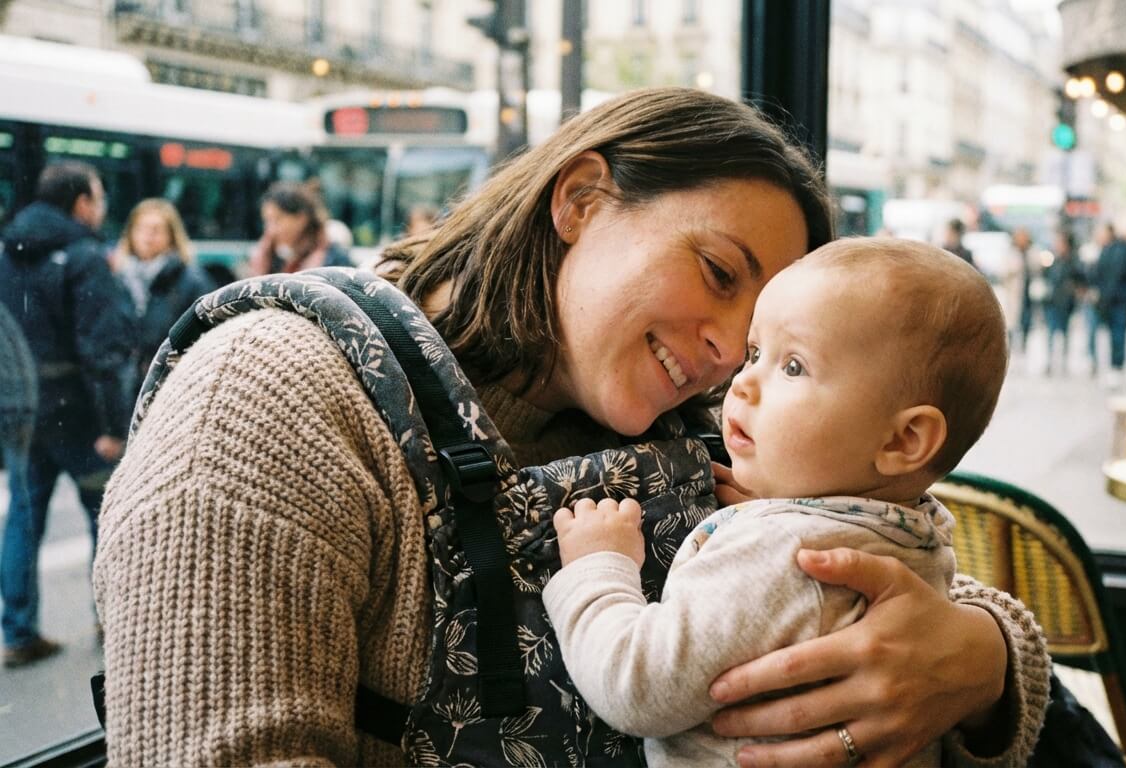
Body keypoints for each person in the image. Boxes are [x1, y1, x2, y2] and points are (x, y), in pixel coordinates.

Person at [94, 88, 1048, 766]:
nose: (727, 354)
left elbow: (871, 560)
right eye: (718, 272)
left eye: (763, 337)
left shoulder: (710, 420)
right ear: (581, 199)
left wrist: (983, 660)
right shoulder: (268, 398)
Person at [544, 239, 1009, 766]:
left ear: (903, 441)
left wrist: (597, 567)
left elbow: (636, 686)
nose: (742, 383)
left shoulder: (778, 556)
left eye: (793, 367)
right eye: (757, 353)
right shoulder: (915, 534)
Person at [0, 161, 134, 667]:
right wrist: (113, 426)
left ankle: (17, 631)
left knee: (23, 516)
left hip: (19, 407)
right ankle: (113, 618)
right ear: (81, 202)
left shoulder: (7, 251)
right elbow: (103, 352)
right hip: (76, 411)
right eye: (98, 197)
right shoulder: (84, 256)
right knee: (106, 513)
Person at [113, 198, 215, 378]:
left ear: (171, 236)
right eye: (141, 228)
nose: (147, 236)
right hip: (127, 382)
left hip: (171, 379)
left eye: (156, 230)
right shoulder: (117, 277)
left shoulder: (191, 280)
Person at [246, 181, 355, 275]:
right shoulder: (268, 258)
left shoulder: (335, 260)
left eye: (277, 220)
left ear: (301, 219)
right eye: (267, 221)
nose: (271, 229)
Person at [1090, 223, 1126, 382]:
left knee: (1118, 333)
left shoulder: (1120, 251)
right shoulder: (1107, 250)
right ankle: (1116, 365)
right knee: (1115, 334)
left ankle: (1117, 365)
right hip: (1112, 301)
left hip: (1118, 300)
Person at [1042, 231, 1084, 376]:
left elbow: (1080, 280)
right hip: (1053, 302)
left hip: (1066, 304)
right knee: (1051, 335)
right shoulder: (1054, 261)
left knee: (1065, 335)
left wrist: (1073, 290)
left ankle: (1064, 363)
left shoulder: (1073, 261)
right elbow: (1046, 278)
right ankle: (1050, 362)